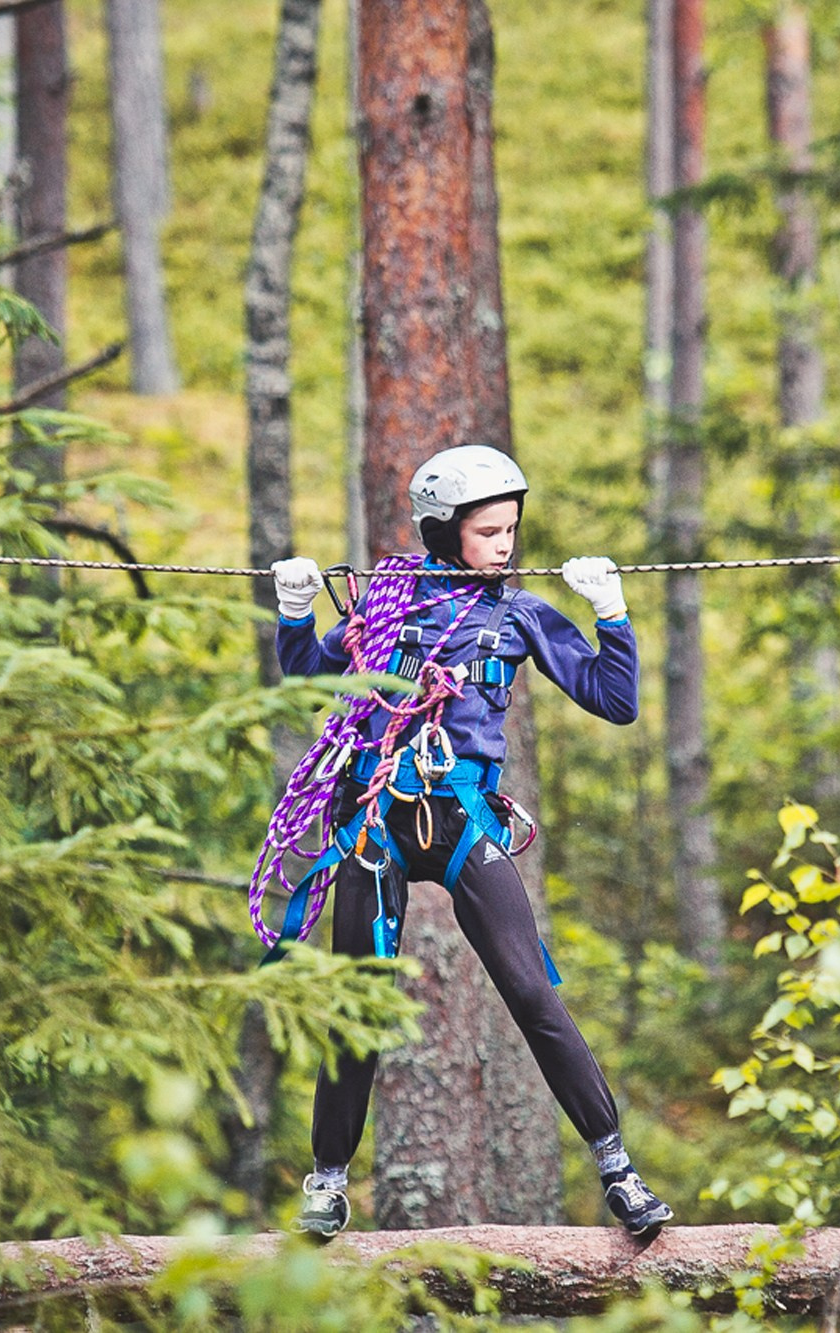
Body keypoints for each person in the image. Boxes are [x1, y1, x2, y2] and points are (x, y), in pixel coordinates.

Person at [267, 443, 675, 1240]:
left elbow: (615, 699)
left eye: (511, 530)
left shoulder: (517, 614)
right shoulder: (385, 606)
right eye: (488, 531)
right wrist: (294, 614)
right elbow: (309, 680)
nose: (505, 545)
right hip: (376, 820)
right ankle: (328, 1181)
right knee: (359, 1004)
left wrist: (612, 613)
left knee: (531, 992)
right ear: (443, 531)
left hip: (464, 820)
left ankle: (618, 1170)